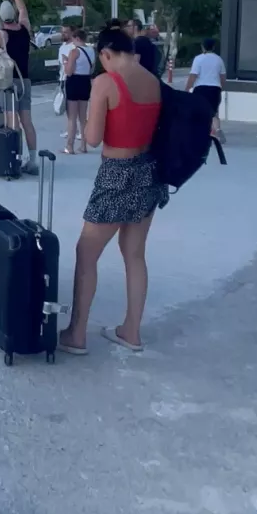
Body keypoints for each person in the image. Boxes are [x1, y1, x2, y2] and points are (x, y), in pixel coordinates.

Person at [59, 25, 167, 356]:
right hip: (149, 172)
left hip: (116, 174)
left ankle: (77, 334)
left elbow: (92, 138)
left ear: (106, 53)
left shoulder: (106, 82)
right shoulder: (153, 81)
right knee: (134, 254)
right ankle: (131, 331)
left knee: (86, 251)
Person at [0, 0, 37, 171]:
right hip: (25, 80)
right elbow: (23, 8)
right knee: (27, 121)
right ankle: (32, 160)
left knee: (11, 121)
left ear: (1, 17)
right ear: (14, 14)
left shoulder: (0, 36)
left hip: (8, 82)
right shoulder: (25, 28)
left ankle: (13, 159)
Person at [60, 25, 94, 154]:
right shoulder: (90, 51)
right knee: (83, 117)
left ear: (77, 38)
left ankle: (70, 146)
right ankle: (84, 146)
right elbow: (91, 68)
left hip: (74, 81)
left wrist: (65, 62)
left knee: (72, 117)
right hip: (85, 81)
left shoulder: (74, 51)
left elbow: (69, 72)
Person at [187, 38, 226, 134]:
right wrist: (221, 88)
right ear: (213, 47)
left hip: (201, 89)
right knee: (214, 112)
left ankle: (201, 131)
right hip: (215, 89)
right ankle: (217, 129)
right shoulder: (219, 59)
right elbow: (223, 77)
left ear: (202, 47)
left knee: (199, 112)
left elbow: (193, 75)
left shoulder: (198, 59)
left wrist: (187, 88)